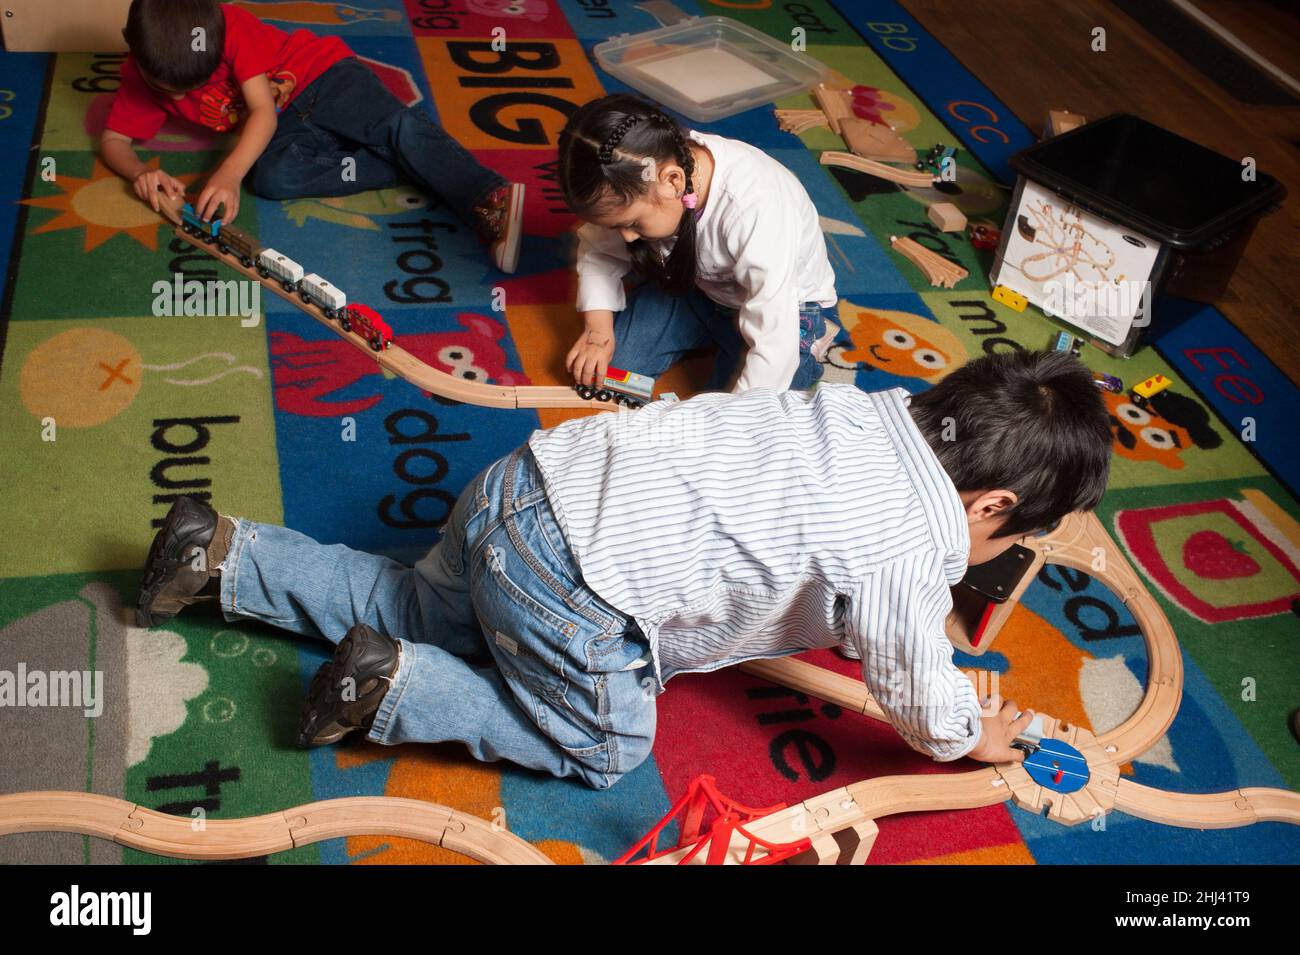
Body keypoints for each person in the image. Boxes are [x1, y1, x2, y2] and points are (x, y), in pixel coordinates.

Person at [134, 350, 1112, 790]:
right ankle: (397, 688)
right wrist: (966, 733)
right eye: (1008, 539)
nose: (991, 555)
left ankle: (221, 552)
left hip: (526, 480)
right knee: (606, 747)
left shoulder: (870, 406)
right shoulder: (911, 536)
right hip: (576, 586)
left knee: (419, 599)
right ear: (987, 508)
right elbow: (910, 678)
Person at [99, 0, 524, 272]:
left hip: (323, 76)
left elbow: (262, 109)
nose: (179, 98)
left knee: (395, 126)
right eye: (166, 90)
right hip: (284, 127)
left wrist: (226, 173)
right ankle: (415, 158)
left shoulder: (228, 24)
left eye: (193, 86)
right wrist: (139, 172)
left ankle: (488, 196)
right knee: (270, 179)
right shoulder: (137, 72)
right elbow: (114, 140)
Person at [558, 93, 839, 395]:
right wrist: (597, 330)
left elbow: (773, 341)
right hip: (699, 289)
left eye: (632, 224)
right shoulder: (645, 177)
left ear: (674, 182)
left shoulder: (754, 207)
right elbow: (599, 252)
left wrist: (731, 418)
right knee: (610, 375)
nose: (625, 237)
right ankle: (715, 336)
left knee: (753, 409)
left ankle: (807, 344)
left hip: (785, 309)